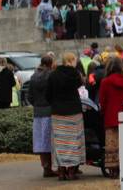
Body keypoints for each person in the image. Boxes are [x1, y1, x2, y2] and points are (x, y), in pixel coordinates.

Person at [45, 52, 86, 180]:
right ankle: (72, 171)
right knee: (74, 142)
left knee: (59, 143)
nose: (76, 62)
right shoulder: (75, 74)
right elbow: (80, 84)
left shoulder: (53, 75)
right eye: (75, 60)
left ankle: (61, 172)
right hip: (73, 111)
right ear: (70, 61)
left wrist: (55, 103)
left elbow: (47, 94)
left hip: (58, 112)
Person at [99, 56, 123, 178]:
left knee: (112, 144)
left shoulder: (105, 82)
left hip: (111, 116)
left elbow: (102, 101)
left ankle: (114, 170)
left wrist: (104, 112)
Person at [27, 55, 58, 178]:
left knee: (41, 142)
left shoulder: (33, 77)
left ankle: (46, 166)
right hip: (50, 111)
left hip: (38, 113)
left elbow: (29, 96)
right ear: (51, 63)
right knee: (51, 141)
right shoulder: (52, 76)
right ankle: (51, 166)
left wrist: (37, 105)